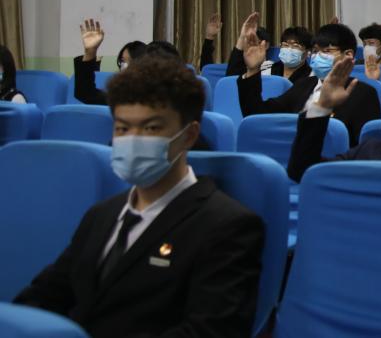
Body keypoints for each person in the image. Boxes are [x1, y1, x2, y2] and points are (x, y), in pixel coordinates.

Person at [15, 56, 264, 338]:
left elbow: (211, 330)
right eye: (122, 128)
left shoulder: (228, 226)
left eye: (151, 128)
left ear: (189, 135)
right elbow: (43, 297)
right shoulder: (101, 215)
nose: (132, 140)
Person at [236, 20, 381, 144]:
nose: (318, 57)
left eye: (327, 51)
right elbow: (258, 114)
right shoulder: (304, 85)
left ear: (348, 55)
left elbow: (365, 147)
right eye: (316, 51)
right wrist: (253, 70)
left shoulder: (364, 93)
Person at [224, 13, 313, 83]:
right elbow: (233, 81)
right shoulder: (266, 68)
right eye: (285, 45)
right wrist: (242, 38)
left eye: (295, 46)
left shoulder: (312, 76)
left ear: (308, 52)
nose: (289, 49)